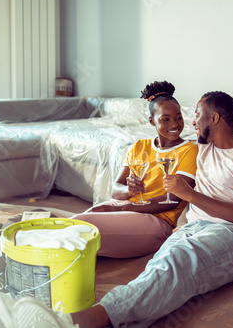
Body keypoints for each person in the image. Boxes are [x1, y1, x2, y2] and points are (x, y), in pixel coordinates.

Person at [0, 90, 233, 328]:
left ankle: (78, 321)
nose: (192, 122)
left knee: (178, 262)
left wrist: (187, 194)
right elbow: (160, 148)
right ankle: (9, 274)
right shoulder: (201, 150)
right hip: (191, 228)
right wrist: (129, 190)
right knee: (162, 270)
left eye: (196, 115)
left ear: (215, 118)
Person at [71, 81, 198, 258]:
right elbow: (116, 189)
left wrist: (119, 209)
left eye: (178, 117)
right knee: (77, 222)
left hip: (158, 220)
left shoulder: (189, 150)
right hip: (128, 206)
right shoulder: (139, 146)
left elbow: (173, 200)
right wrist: (128, 190)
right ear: (152, 121)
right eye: (165, 119)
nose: (175, 124)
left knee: (80, 224)